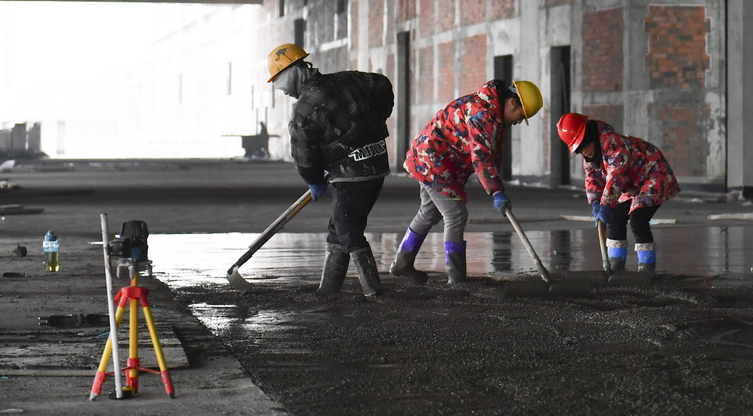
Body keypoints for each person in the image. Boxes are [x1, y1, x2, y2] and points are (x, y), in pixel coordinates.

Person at [266, 43, 394, 298]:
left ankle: (374, 292)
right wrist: (376, 120)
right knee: (339, 226)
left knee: (348, 231)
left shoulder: (304, 110)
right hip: (376, 164)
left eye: (280, 81)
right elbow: (383, 84)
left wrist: (313, 180)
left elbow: (303, 155)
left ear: (292, 71)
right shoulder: (348, 79)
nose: (283, 91)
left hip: (351, 175)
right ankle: (328, 289)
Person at [390, 79, 543, 284]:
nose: (518, 121)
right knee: (455, 214)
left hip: (433, 160)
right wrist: (496, 191)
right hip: (432, 161)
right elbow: (482, 156)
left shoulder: (494, 114)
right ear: (512, 103)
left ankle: (402, 263)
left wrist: (495, 184)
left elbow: (492, 153)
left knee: (429, 211)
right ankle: (456, 278)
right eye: (521, 116)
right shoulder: (483, 113)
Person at [556, 113, 680, 273]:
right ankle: (615, 266)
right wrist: (595, 202)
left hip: (652, 175)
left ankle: (646, 268)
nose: (583, 153)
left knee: (638, 219)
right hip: (631, 184)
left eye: (584, 146)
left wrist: (606, 205)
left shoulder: (615, 144)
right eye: (579, 150)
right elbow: (592, 177)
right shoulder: (590, 154)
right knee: (615, 220)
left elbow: (616, 177)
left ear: (590, 137)